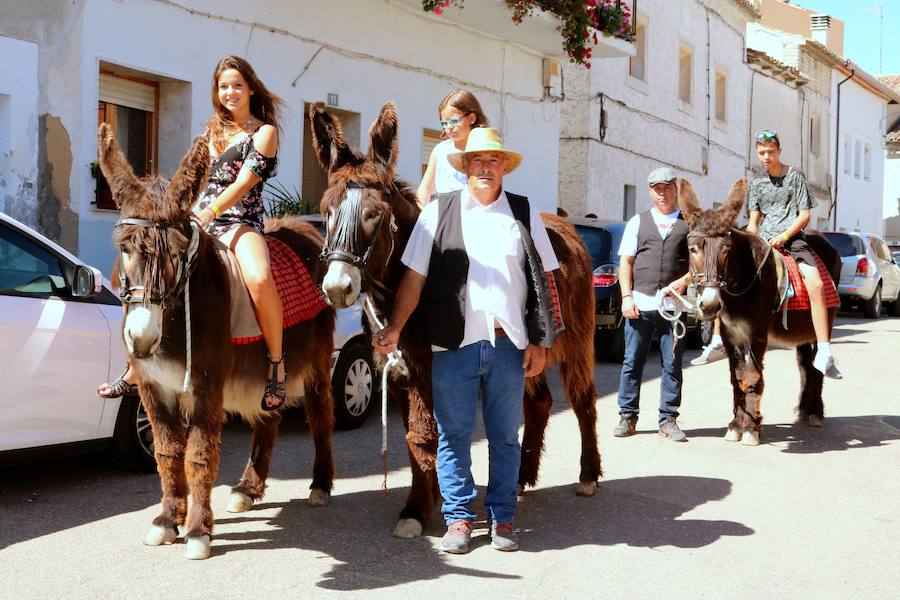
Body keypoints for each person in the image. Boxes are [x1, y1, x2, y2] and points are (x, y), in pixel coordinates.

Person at [373, 128, 560, 554]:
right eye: (477, 161)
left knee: (505, 436)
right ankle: (458, 518)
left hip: (507, 344)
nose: (485, 168)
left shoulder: (523, 211)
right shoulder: (438, 212)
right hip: (453, 345)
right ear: (466, 167)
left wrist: (540, 340)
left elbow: (542, 279)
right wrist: (397, 326)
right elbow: (414, 278)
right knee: (454, 434)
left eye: (494, 161)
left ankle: (502, 517)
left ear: (504, 167)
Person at [99, 56, 287, 410]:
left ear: (250, 88)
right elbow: (195, 177)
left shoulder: (264, 133)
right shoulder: (211, 132)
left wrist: (210, 211)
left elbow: (246, 183)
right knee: (146, 265)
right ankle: (134, 364)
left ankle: (276, 363)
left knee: (260, 278)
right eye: (223, 86)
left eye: (237, 85)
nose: (230, 92)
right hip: (198, 219)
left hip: (238, 222)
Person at [749, 130, 842, 379]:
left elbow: (805, 215)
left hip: (793, 241)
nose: (765, 157)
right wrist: (749, 241)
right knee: (726, 277)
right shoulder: (757, 183)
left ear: (779, 151)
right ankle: (717, 339)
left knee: (816, 282)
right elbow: (753, 222)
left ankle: (824, 351)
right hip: (764, 242)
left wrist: (784, 236)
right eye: (761, 152)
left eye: (770, 152)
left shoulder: (795, 177)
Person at [614, 167, 692, 442]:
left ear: (675, 189)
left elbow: (701, 263)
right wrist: (626, 297)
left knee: (672, 364)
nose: (662, 193)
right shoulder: (637, 222)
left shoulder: (688, 223)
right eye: (656, 188)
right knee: (632, 361)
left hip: (674, 307)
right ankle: (627, 415)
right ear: (650, 191)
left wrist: (685, 280)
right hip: (640, 303)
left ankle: (668, 419)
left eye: (667, 187)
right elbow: (626, 262)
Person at [415, 89, 490, 207]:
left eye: (454, 121)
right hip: (444, 215)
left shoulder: (483, 150)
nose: (449, 127)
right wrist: (421, 212)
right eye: (444, 123)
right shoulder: (440, 151)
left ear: (472, 118)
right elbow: (425, 188)